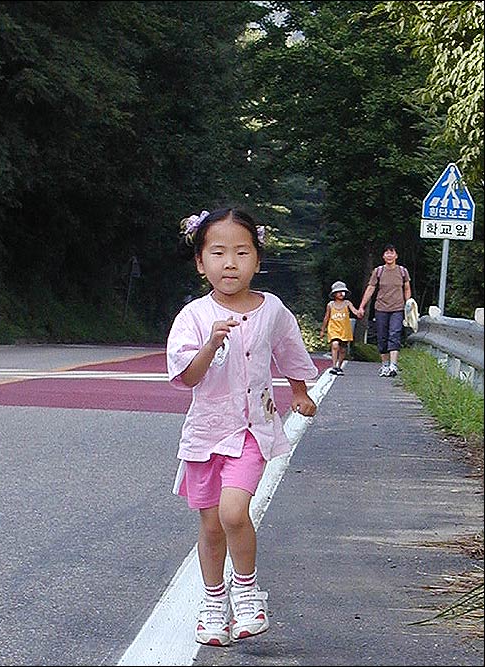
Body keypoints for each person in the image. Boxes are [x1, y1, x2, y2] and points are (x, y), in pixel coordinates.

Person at [166, 207, 318, 647]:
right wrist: (211, 342)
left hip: (252, 428)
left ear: (257, 259)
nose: (229, 262)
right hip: (205, 434)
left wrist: (300, 391)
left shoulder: (272, 309)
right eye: (217, 252)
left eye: (241, 252)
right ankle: (214, 603)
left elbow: (289, 348)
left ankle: (248, 592)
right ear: (200, 262)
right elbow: (187, 378)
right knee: (211, 526)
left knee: (234, 512)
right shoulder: (192, 317)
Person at [357, 243, 411, 377]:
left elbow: (407, 288)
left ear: (396, 255)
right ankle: (385, 365)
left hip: (397, 308)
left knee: (394, 334)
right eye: (387, 253)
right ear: (383, 256)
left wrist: (408, 306)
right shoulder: (378, 271)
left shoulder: (402, 271)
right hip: (381, 308)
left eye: (392, 252)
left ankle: (393, 365)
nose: (389, 255)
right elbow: (370, 288)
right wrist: (362, 306)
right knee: (382, 336)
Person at [319, 280, 360, 375]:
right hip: (334, 329)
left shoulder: (347, 303)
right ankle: (334, 366)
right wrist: (323, 330)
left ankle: (339, 366)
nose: (341, 293)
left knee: (343, 349)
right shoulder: (330, 305)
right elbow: (326, 317)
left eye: (343, 291)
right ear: (334, 294)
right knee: (335, 345)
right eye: (339, 292)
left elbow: (354, 311)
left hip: (344, 330)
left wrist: (359, 312)